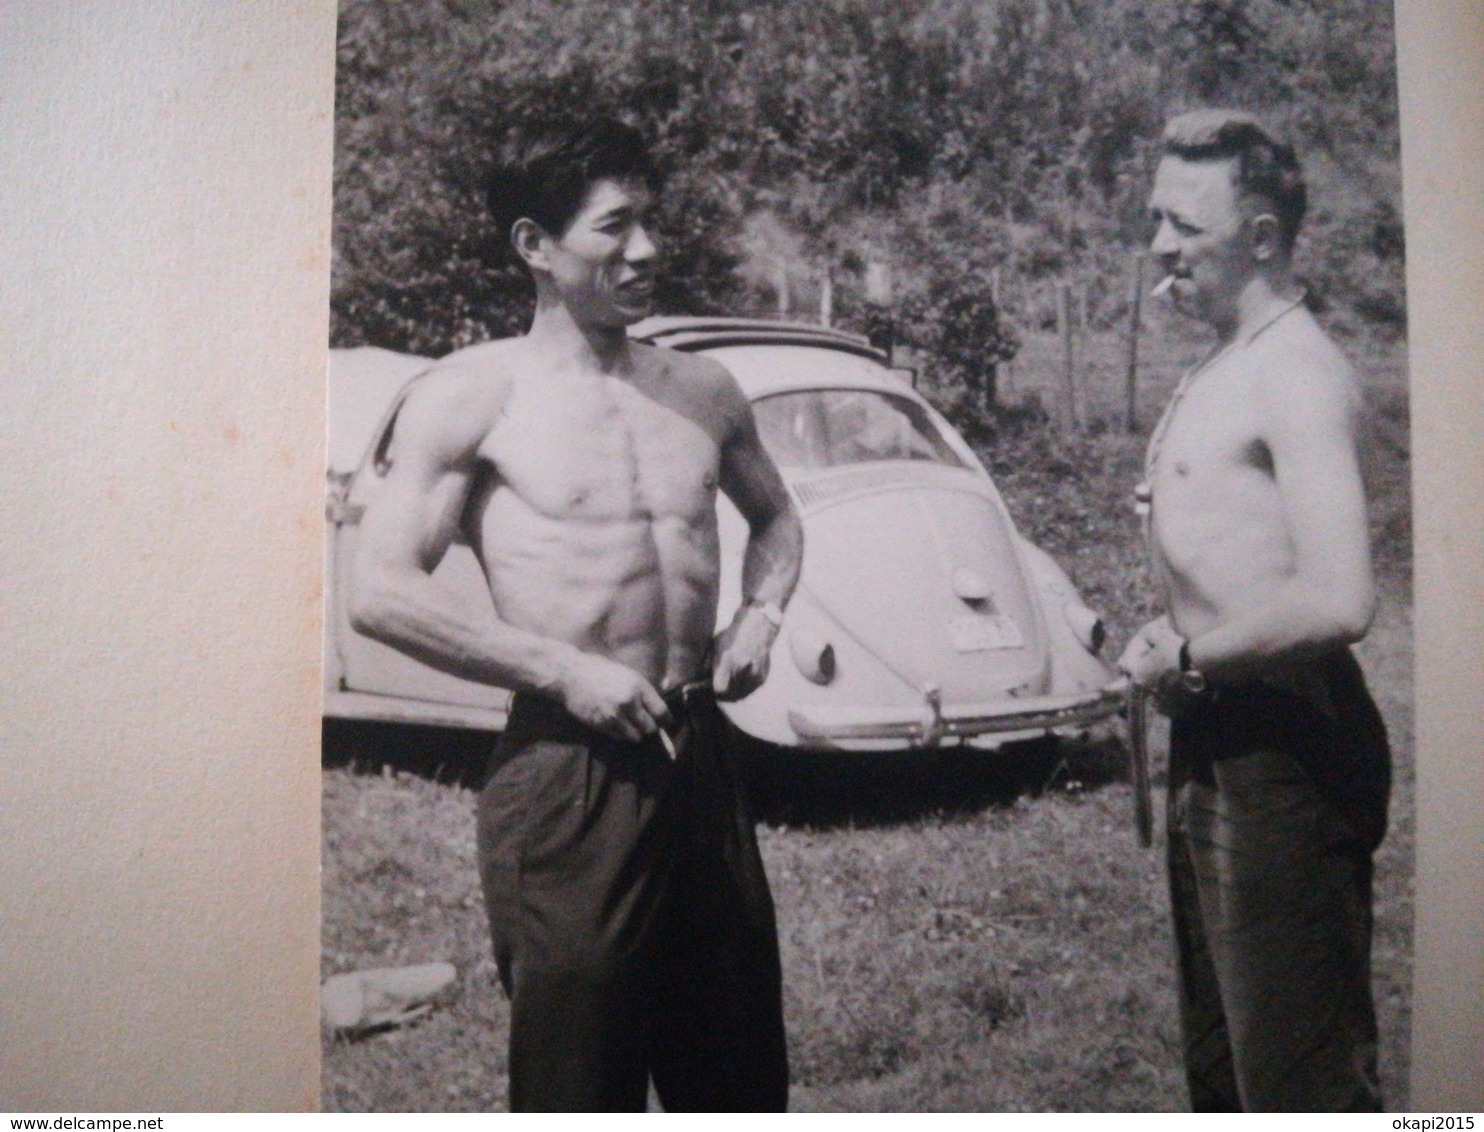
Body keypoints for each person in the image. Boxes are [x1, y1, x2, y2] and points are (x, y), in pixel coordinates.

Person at [349, 115, 802, 1112]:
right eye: (612, 228)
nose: (645, 250)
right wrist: (562, 671)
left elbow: (775, 517)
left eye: (651, 221)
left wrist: (760, 615)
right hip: (569, 768)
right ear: (534, 248)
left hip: (701, 756)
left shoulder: (701, 388)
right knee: (577, 1082)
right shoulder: (473, 395)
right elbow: (379, 591)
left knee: (735, 1076)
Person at [1117, 110, 1390, 1112]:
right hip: (1218, 738)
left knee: (1298, 1083)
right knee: (1225, 1073)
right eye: (1156, 219)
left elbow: (1338, 597)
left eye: (1184, 224)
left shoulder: (1295, 369)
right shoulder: (1226, 358)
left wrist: (1184, 650)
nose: (1159, 246)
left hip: (1283, 754)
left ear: (1263, 236)